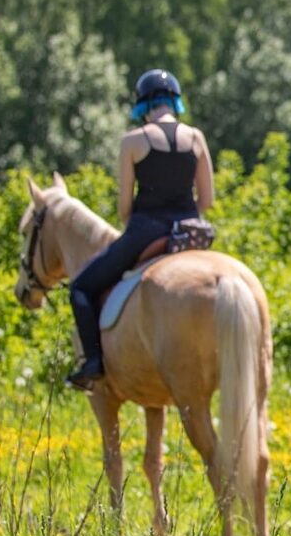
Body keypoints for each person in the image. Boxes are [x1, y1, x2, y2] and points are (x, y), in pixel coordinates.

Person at [66, 70, 215, 390]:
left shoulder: (133, 141)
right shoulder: (196, 138)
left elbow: (124, 209)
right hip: (190, 233)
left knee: (80, 287)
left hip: (147, 229)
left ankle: (92, 363)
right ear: (174, 102)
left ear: (142, 106)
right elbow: (208, 200)